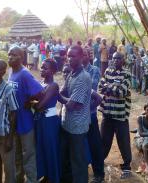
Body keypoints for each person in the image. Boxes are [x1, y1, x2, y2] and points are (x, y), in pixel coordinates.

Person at [8, 46, 43, 183]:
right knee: (16, 154)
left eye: (14, 55)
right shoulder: (11, 72)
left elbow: (40, 92)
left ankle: (31, 180)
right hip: (14, 122)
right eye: (9, 54)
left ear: (21, 57)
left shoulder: (24, 74)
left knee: (28, 154)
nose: (10, 56)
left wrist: (29, 102)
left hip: (25, 121)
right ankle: (18, 179)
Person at [59, 45, 92, 183]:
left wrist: (54, 93)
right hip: (67, 124)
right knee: (66, 158)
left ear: (81, 57)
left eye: (73, 56)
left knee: (78, 161)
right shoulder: (72, 74)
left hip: (78, 127)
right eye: (68, 55)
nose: (69, 58)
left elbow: (73, 105)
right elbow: (63, 93)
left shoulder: (83, 77)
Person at [99, 52, 132, 179]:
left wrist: (108, 86)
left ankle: (127, 167)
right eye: (113, 58)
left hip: (120, 115)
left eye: (118, 58)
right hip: (107, 113)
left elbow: (122, 92)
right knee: (104, 140)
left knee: (123, 141)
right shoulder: (108, 71)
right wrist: (112, 87)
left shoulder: (127, 73)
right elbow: (100, 87)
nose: (115, 60)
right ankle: (100, 162)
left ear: (123, 60)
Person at [33, 59, 61, 183]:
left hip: (49, 122)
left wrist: (32, 103)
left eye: (45, 68)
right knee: (40, 148)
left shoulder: (53, 85)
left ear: (53, 71)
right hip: (39, 120)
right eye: (42, 67)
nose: (42, 69)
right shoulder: (41, 83)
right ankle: (45, 175)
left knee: (50, 149)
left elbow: (39, 106)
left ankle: (53, 177)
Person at [82, 49, 105, 182]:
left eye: (86, 55)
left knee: (94, 144)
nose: (84, 57)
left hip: (90, 114)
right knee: (81, 144)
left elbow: (92, 88)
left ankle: (99, 174)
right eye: (82, 55)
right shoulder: (73, 71)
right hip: (77, 115)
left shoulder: (94, 70)